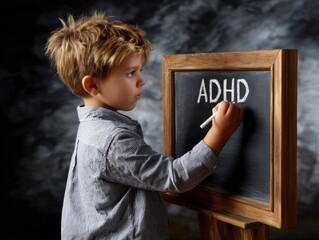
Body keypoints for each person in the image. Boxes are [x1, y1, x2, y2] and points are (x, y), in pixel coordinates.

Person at [45, 11, 243, 240]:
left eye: (139, 70)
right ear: (92, 85)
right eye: (130, 73)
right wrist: (219, 133)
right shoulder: (112, 140)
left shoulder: (93, 130)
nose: (142, 80)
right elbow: (174, 177)